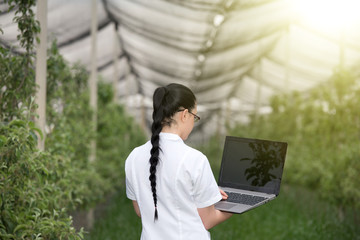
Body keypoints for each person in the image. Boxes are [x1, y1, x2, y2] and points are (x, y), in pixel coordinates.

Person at [125, 83, 232, 239]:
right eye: (195, 117)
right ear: (185, 115)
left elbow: (142, 210)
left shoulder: (133, 157)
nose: (193, 124)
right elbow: (208, 220)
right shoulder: (195, 160)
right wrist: (237, 206)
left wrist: (209, 194)